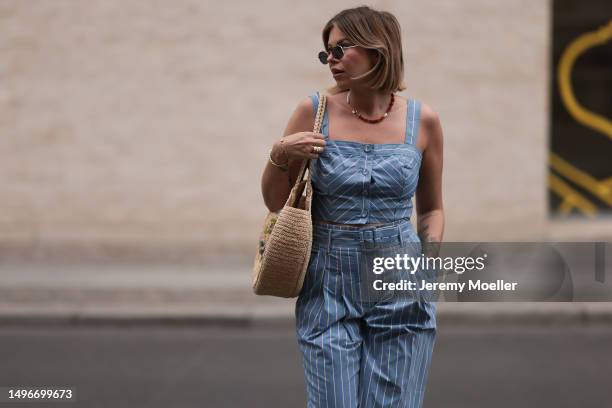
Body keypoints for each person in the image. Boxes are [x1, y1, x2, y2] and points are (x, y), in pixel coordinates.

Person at [260, 6, 444, 408]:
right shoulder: (313, 112)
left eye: (341, 48)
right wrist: (279, 153)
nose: (332, 60)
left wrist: (426, 264)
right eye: (327, 52)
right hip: (329, 278)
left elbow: (431, 209)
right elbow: (278, 203)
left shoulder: (423, 121)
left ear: (378, 48)